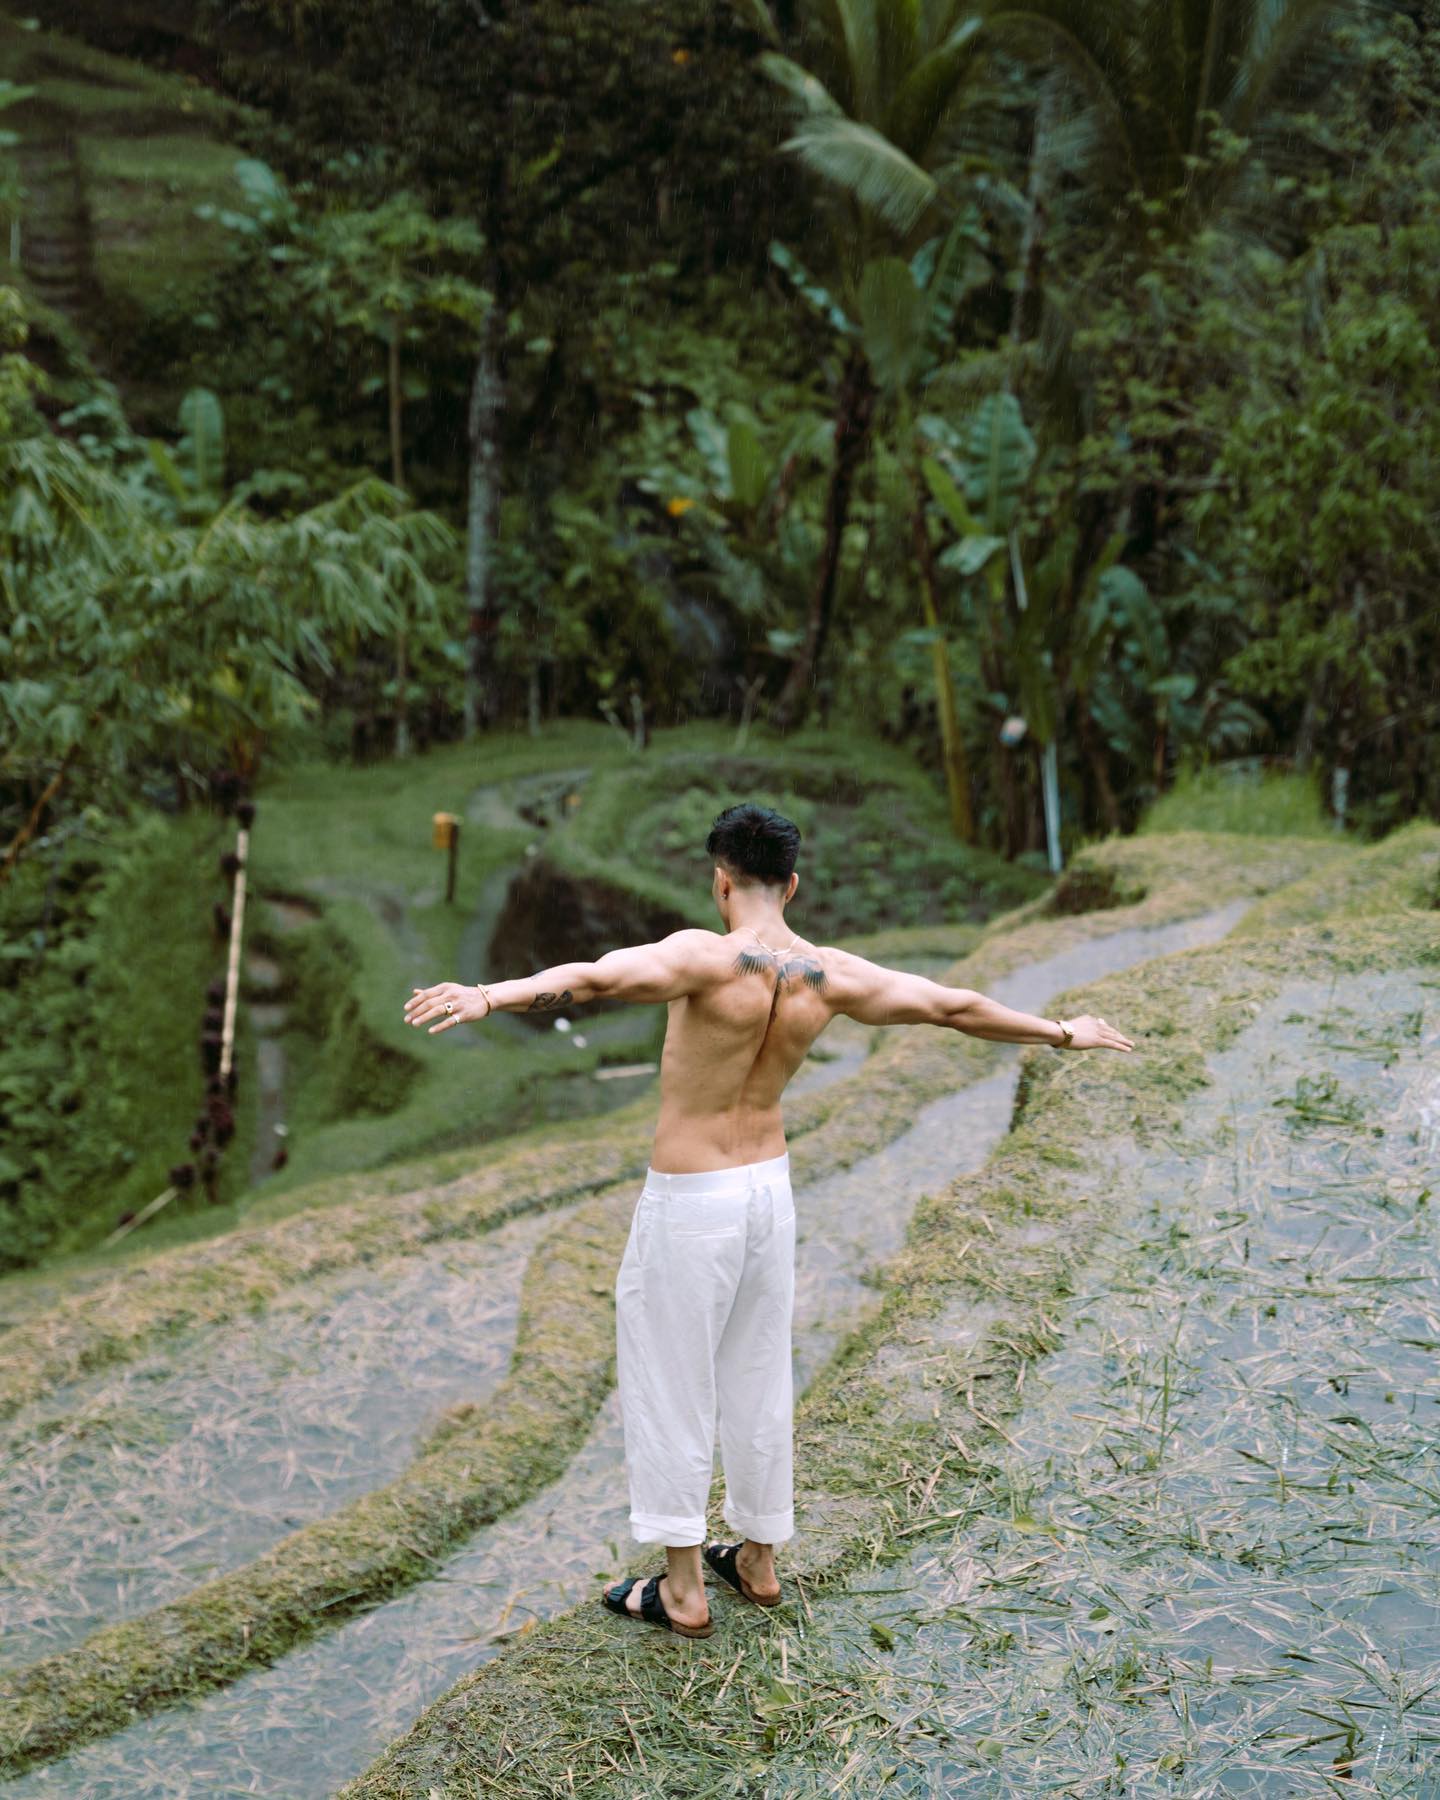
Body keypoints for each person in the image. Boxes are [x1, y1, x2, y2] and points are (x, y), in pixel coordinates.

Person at [403, 802, 1134, 1638]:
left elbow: (597, 978)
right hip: (767, 1194)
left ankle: (683, 1588)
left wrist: (487, 995)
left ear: (722, 881)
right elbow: (952, 1005)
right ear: (792, 884)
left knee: (671, 1376)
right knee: (756, 1372)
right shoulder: (831, 973)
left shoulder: (703, 957)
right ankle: (757, 1558)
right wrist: (1062, 1032)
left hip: (693, 1199)